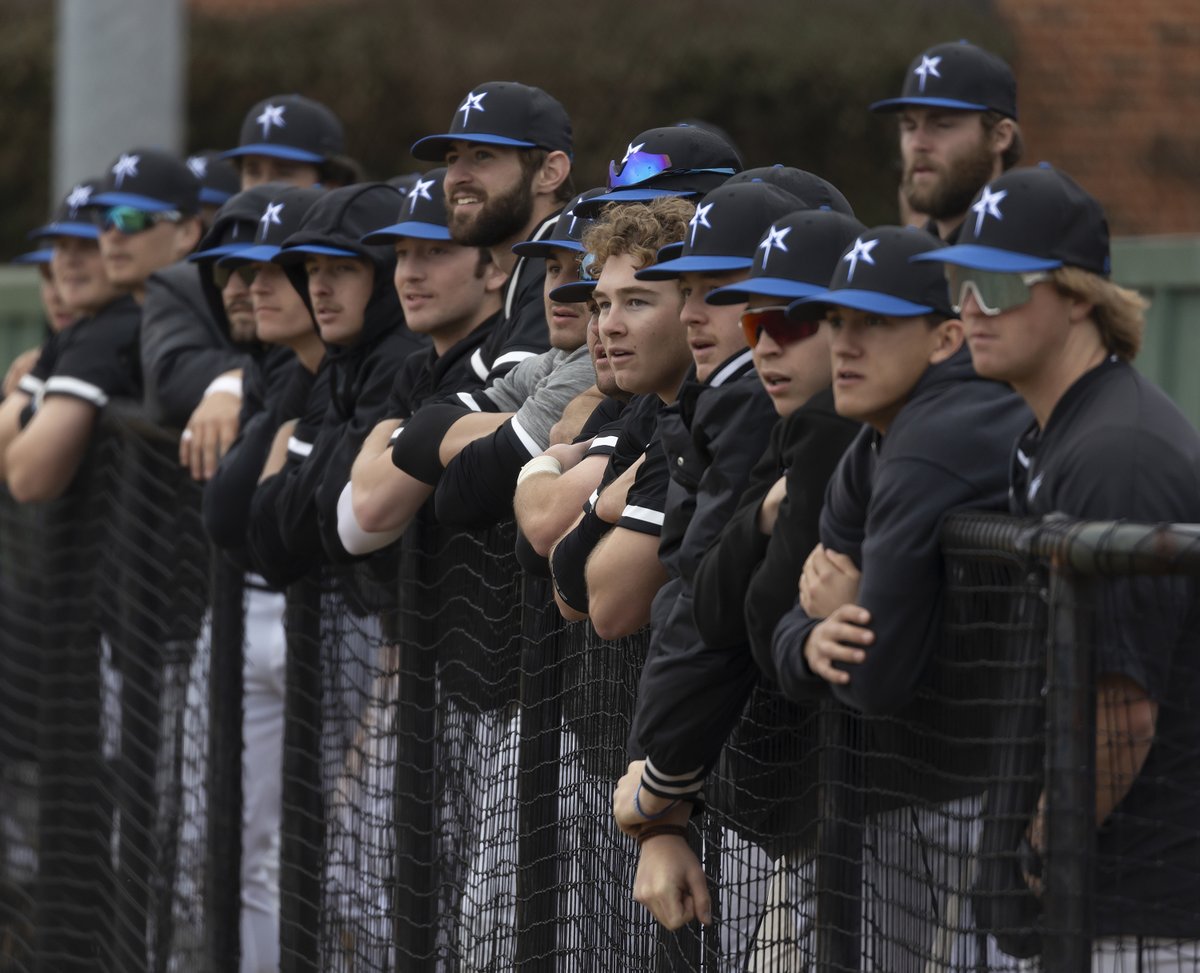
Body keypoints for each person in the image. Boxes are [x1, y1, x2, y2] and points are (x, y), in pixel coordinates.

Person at [918, 163, 1200, 970]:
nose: (971, 308)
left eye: (999, 286)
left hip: (1137, 916)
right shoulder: (1058, 432)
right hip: (1088, 909)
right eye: (961, 285)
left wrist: (1042, 839)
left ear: (1079, 295)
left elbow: (1124, 711)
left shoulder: (1120, 453)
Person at [754, 226, 1029, 971]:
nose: (843, 343)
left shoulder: (941, 432)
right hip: (945, 780)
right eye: (837, 320)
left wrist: (830, 623)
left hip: (1029, 793)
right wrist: (812, 637)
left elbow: (873, 675)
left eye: (874, 323)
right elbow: (789, 623)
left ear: (945, 339)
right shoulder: (876, 439)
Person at [243, 182, 425, 587]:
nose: (319, 288)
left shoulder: (398, 359)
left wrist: (286, 443)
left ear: (382, 274)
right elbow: (270, 537)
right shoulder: (345, 356)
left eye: (342, 268)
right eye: (311, 270)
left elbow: (302, 527)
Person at [4, 150, 202, 502]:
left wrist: (34, 408)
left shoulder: (115, 328)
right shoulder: (88, 329)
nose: (112, 235)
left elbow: (26, 479)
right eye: (105, 220)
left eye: (132, 219)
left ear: (187, 232)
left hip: (179, 540)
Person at [545, 197, 696, 632]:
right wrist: (605, 503)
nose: (607, 326)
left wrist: (548, 468)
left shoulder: (699, 415)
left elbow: (609, 611)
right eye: (603, 304)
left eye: (636, 302)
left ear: (693, 305)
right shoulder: (650, 405)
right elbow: (569, 592)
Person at [338, 168, 508, 554]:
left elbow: (363, 516)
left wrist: (379, 444)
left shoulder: (496, 363)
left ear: (496, 267)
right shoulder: (418, 365)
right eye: (401, 254)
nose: (410, 274)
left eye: (436, 251)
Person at [411, 80, 574, 380]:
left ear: (550, 173)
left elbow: (514, 410)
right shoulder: (526, 273)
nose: (455, 177)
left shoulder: (563, 261)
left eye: (482, 155)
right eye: (451, 159)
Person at [870, 40, 1022, 242]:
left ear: (1000, 136)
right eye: (909, 126)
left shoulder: (1026, 255)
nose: (917, 144)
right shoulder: (904, 259)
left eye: (942, 125)